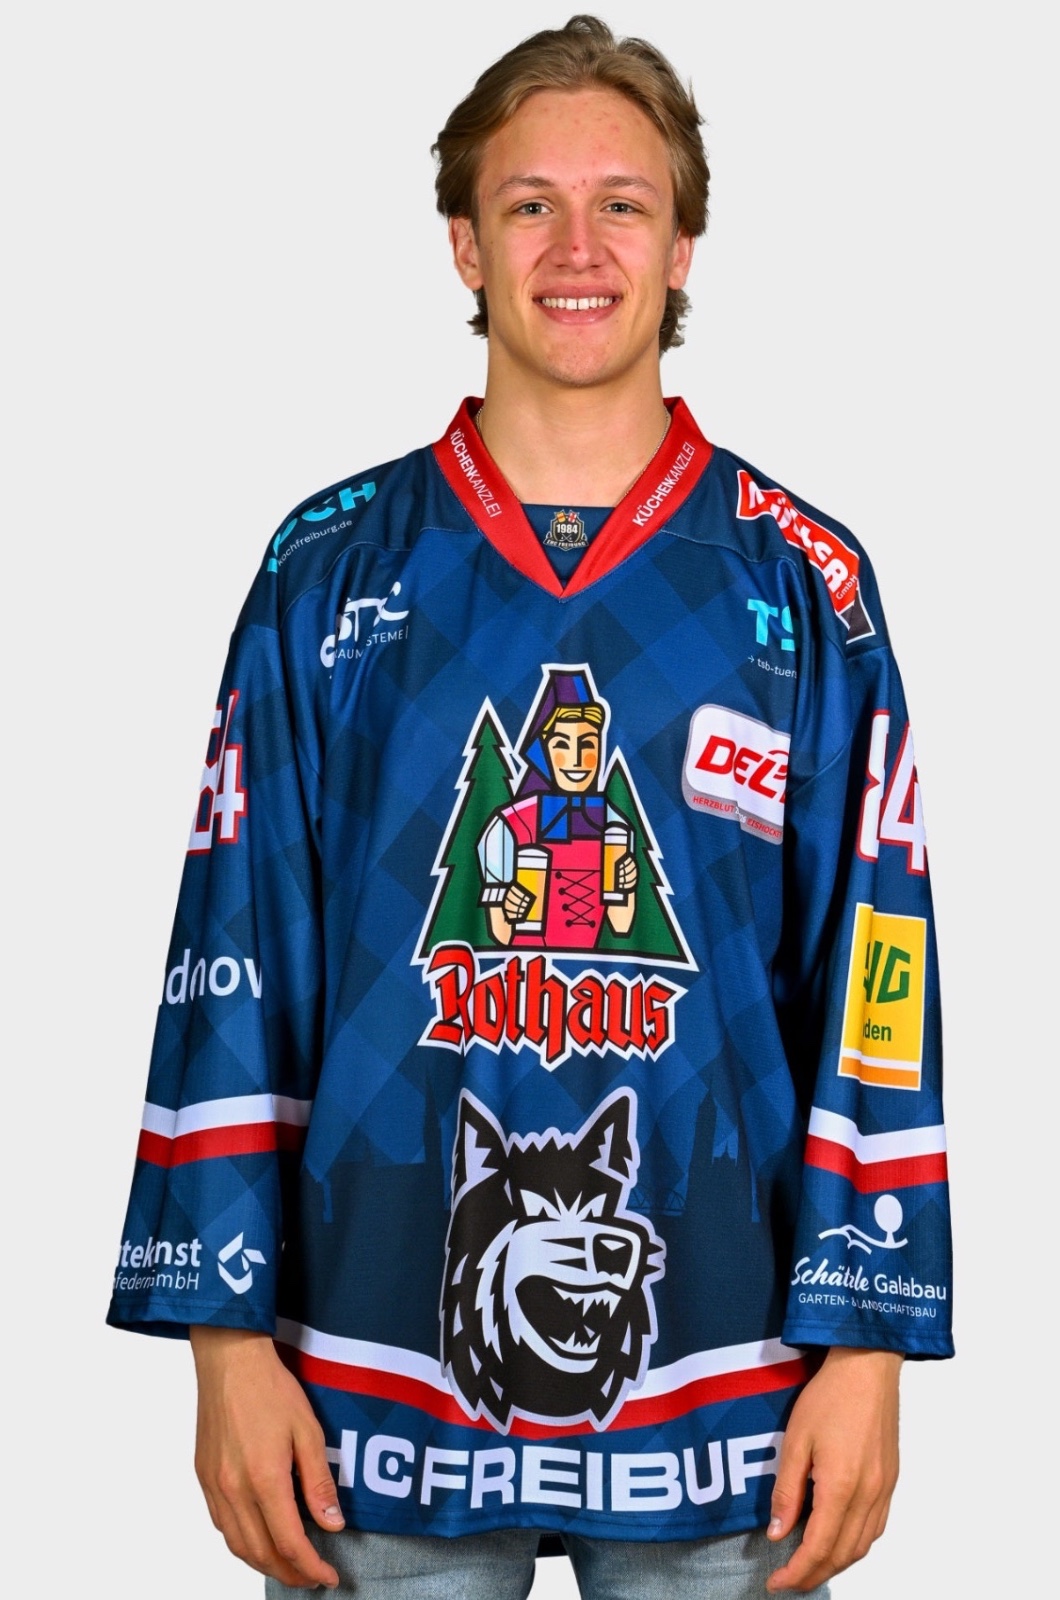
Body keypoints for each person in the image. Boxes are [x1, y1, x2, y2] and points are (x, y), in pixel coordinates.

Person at [108, 15, 953, 1597]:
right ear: (464, 244)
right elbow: (235, 951)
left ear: (683, 247)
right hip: (367, 1374)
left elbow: (876, 976)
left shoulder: (804, 584)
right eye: (529, 205)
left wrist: (868, 1344)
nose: (578, 247)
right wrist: (223, 1341)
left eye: (623, 204)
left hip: (732, 1378)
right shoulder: (328, 570)